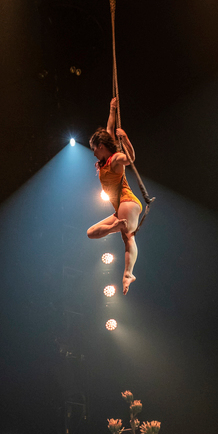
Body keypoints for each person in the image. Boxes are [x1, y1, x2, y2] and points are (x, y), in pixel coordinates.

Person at [87, 97, 142, 295]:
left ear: (101, 146)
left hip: (128, 202)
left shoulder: (116, 158)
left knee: (128, 236)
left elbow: (131, 158)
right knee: (92, 232)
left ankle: (128, 273)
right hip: (120, 208)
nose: (93, 153)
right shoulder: (106, 161)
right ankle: (127, 272)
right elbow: (109, 128)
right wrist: (112, 109)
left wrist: (125, 139)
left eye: (94, 148)